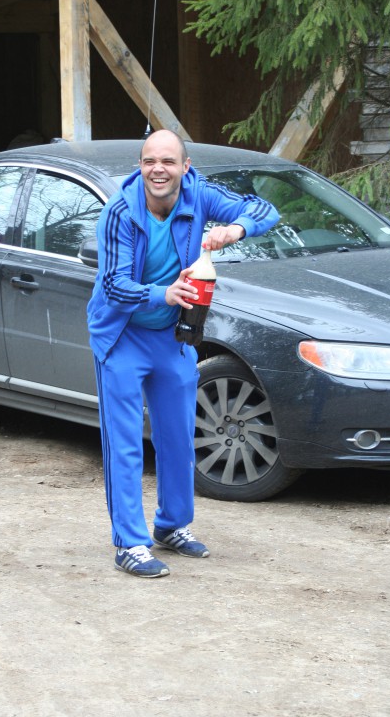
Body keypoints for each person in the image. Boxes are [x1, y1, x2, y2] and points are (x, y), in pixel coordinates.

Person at [87, 130, 279, 578]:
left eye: (168, 161)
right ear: (140, 166)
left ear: (185, 167)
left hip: (173, 337)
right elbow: (113, 285)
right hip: (121, 336)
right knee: (125, 443)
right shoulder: (120, 213)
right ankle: (129, 544)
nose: (158, 169)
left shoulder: (199, 194)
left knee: (176, 437)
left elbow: (264, 209)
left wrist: (235, 229)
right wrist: (164, 293)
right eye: (149, 161)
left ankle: (172, 524)